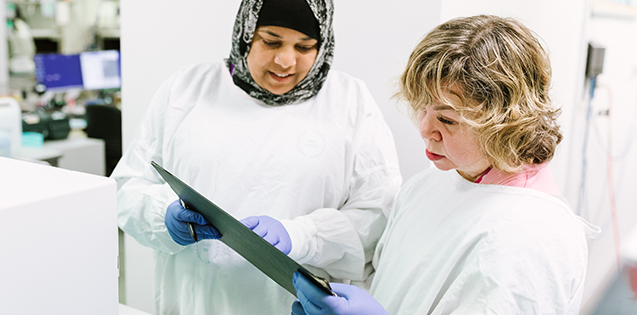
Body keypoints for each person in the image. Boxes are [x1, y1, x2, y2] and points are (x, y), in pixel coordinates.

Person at [291, 15, 600, 315]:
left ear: (507, 122)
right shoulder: (431, 184)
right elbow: (391, 287)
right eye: (421, 107)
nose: (425, 129)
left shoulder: (532, 236)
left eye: (447, 119)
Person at [112, 0, 402, 314]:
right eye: (271, 41)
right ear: (246, 33)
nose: (286, 61)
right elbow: (127, 188)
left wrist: (302, 236)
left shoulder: (349, 102)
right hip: (197, 301)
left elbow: (379, 213)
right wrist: (162, 218)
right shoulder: (186, 89)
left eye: (305, 47)